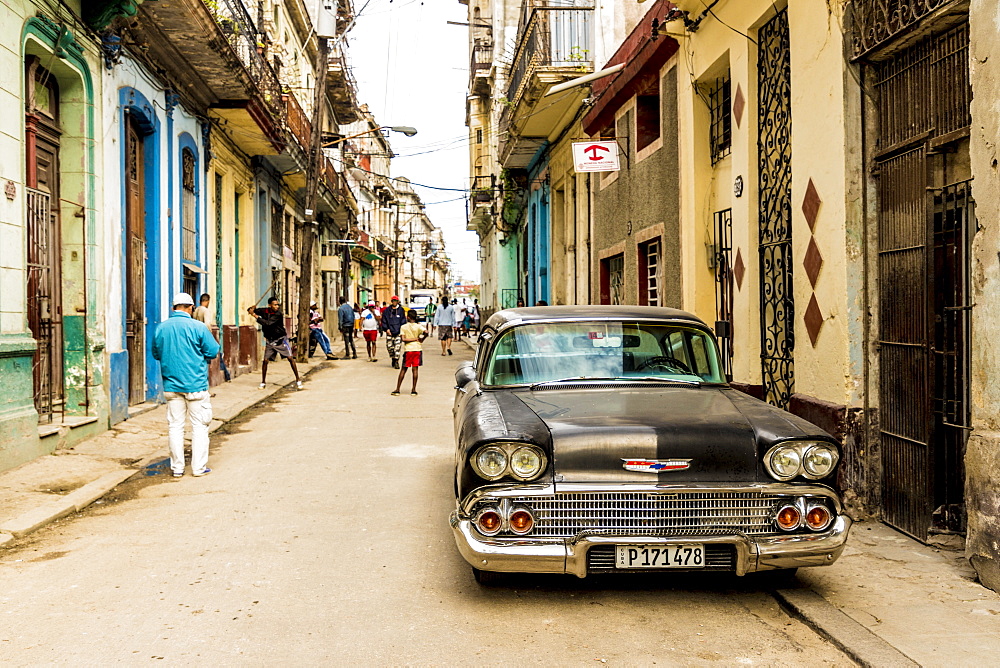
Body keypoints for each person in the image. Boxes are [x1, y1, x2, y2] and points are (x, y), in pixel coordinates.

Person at [151, 292, 221, 478]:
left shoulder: (161, 328)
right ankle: (198, 468)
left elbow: (156, 354)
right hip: (195, 385)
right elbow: (213, 350)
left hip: (171, 386)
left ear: (174, 308)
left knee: (175, 426)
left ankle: (177, 468)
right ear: (191, 308)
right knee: (199, 426)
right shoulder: (197, 327)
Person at [247, 297, 302, 390]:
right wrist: (252, 309)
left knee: (290, 358)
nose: (277, 306)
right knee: (265, 360)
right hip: (270, 340)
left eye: (277, 305)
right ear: (270, 305)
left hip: (281, 339)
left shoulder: (278, 314)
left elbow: (268, 323)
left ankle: (298, 379)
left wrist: (255, 316)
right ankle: (263, 382)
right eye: (275, 305)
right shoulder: (264, 311)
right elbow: (250, 310)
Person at [192, 292, 229, 381]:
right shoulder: (206, 311)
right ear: (207, 301)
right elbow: (207, 324)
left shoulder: (196, 310)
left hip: (195, 338)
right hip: (203, 339)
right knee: (206, 363)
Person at [391, 309, 427, 396]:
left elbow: (403, 339)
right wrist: (421, 339)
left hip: (408, 350)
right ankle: (414, 389)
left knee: (403, 369)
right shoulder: (419, 326)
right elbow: (426, 332)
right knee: (415, 369)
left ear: (408, 317)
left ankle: (397, 389)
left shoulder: (404, 327)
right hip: (417, 349)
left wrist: (412, 339)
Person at [380, 295, 407, 369]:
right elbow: (384, 320)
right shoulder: (387, 311)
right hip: (390, 332)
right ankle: (393, 358)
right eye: (393, 301)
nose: (394, 302)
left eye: (396, 301)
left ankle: (396, 361)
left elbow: (403, 321)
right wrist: (386, 329)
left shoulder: (401, 310)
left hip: (398, 332)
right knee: (390, 347)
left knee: (397, 348)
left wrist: (402, 330)